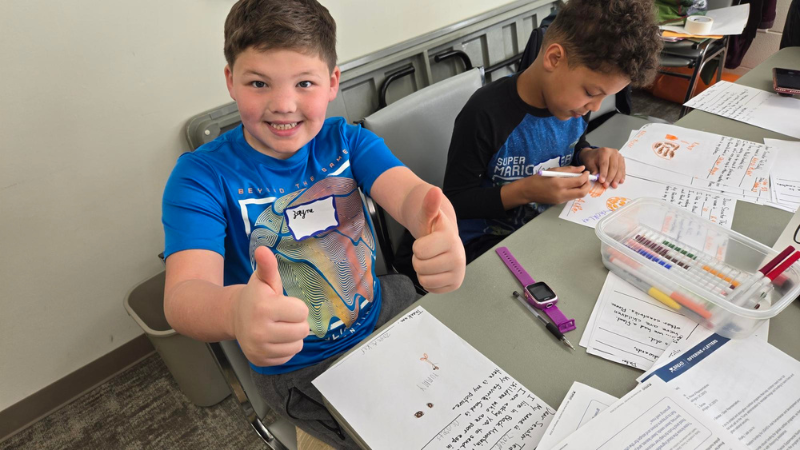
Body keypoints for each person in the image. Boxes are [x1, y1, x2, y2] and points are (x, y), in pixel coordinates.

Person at [161, 0, 466, 447]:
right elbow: (184, 296)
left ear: (332, 82)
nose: (284, 105)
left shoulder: (347, 141)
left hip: (383, 318)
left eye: (304, 82)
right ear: (230, 81)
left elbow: (412, 196)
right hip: (299, 367)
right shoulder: (200, 178)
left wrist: (441, 230)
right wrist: (234, 311)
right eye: (259, 83)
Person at [442, 0, 662, 263]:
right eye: (591, 92)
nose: (595, 107)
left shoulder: (572, 106)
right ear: (554, 58)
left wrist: (587, 155)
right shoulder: (485, 113)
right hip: (484, 246)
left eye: (605, 97)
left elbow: (571, 144)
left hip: (546, 226)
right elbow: (455, 201)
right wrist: (525, 192)